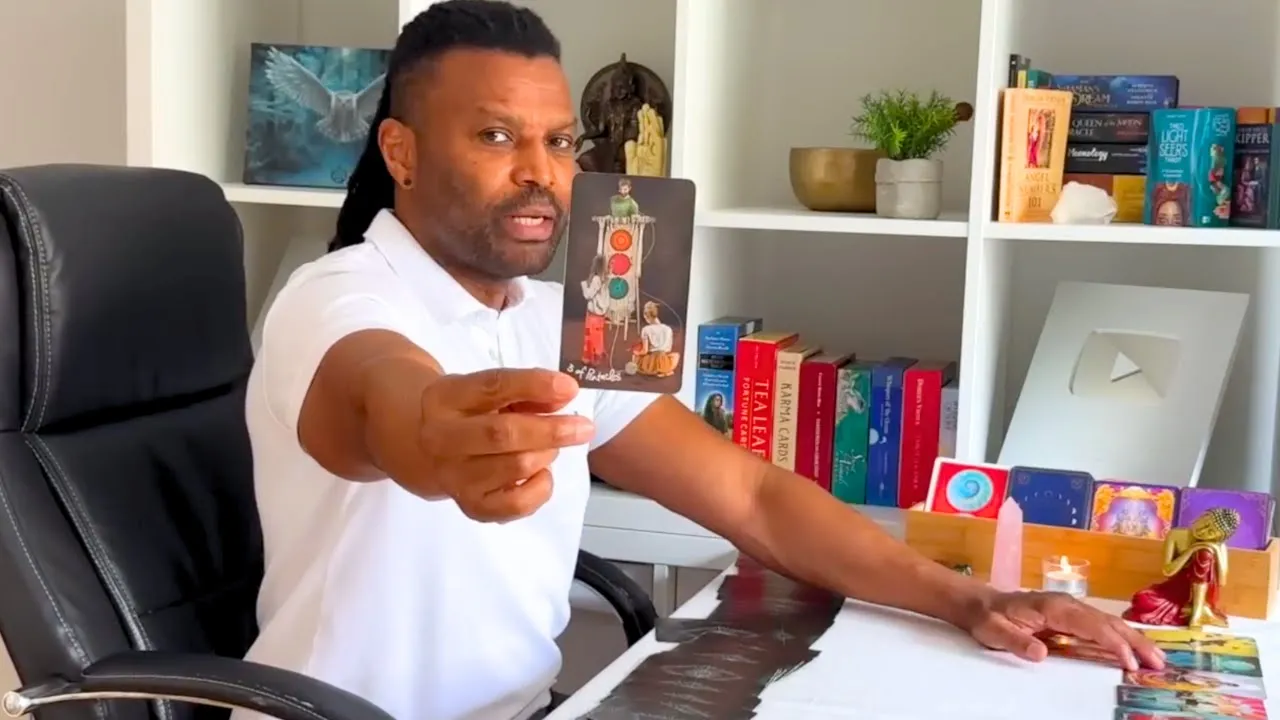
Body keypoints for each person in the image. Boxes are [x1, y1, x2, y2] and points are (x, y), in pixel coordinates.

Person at [240, 2, 1163, 720]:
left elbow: (752, 497)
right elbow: (386, 401)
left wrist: (975, 601)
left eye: (558, 142)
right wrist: (439, 442)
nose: (541, 172)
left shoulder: (562, 324)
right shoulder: (333, 297)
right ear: (400, 152)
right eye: (495, 137)